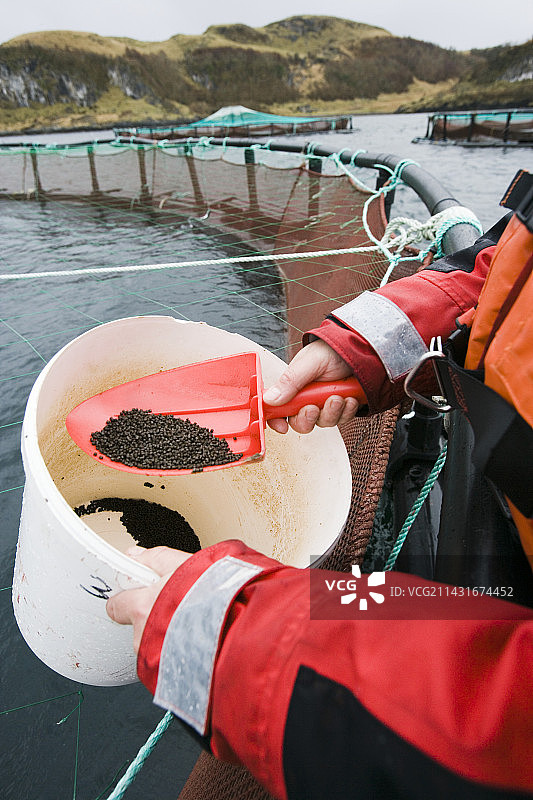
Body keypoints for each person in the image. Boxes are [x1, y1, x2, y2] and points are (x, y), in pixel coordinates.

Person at [106, 171, 533, 799]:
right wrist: (369, 347)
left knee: (340, 598)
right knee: (354, 596)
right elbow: (499, 276)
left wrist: (241, 643)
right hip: (491, 509)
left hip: (497, 611)